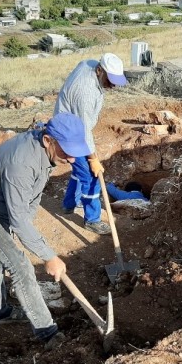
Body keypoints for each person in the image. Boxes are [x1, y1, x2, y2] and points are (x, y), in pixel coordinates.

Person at [0, 112, 91, 350]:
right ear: (48, 140)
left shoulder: (45, 150)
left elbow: (31, 197)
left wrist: (25, 232)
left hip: (1, 211)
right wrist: (48, 256)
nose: (71, 159)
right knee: (20, 266)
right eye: (66, 151)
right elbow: (19, 218)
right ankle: (48, 334)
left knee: (1, 257)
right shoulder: (22, 161)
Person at [54, 53, 128, 235]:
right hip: (71, 132)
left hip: (70, 123)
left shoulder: (91, 65)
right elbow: (84, 131)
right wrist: (93, 159)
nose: (113, 85)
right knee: (91, 175)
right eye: (110, 80)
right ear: (99, 70)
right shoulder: (86, 92)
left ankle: (69, 204)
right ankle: (92, 220)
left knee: (80, 171)